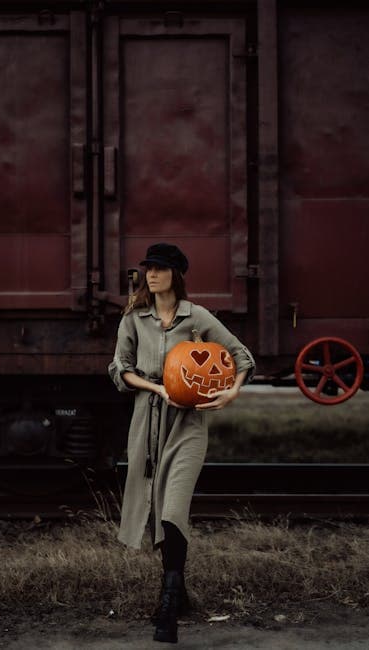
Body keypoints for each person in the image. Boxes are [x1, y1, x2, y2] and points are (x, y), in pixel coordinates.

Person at [108, 242, 255, 644]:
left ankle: (169, 602)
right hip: (148, 422)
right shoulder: (134, 319)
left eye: (159, 268)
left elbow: (242, 356)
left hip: (189, 425)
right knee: (154, 508)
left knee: (173, 509)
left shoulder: (198, 317)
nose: (150, 275)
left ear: (175, 274)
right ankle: (180, 590)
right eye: (147, 269)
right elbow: (118, 369)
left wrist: (231, 393)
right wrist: (155, 388)